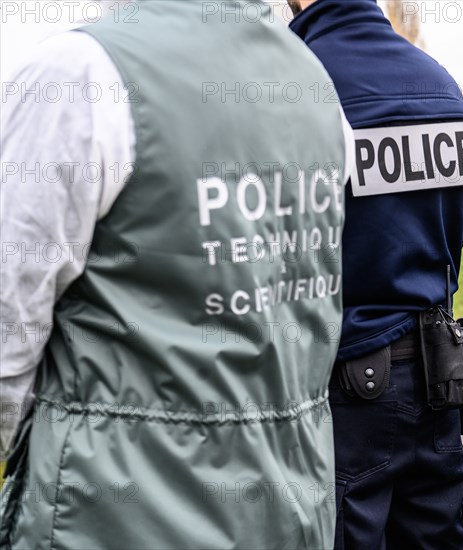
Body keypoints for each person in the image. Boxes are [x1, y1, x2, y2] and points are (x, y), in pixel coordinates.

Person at [0, 1, 353, 548]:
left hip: (109, 516)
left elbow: (8, 329)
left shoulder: (77, 72)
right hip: (291, 512)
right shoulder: (314, 81)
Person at [288, 1, 463, 548]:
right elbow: (454, 231)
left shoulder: (296, 80)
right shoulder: (436, 80)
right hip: (438, 376)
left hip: (343, 389)